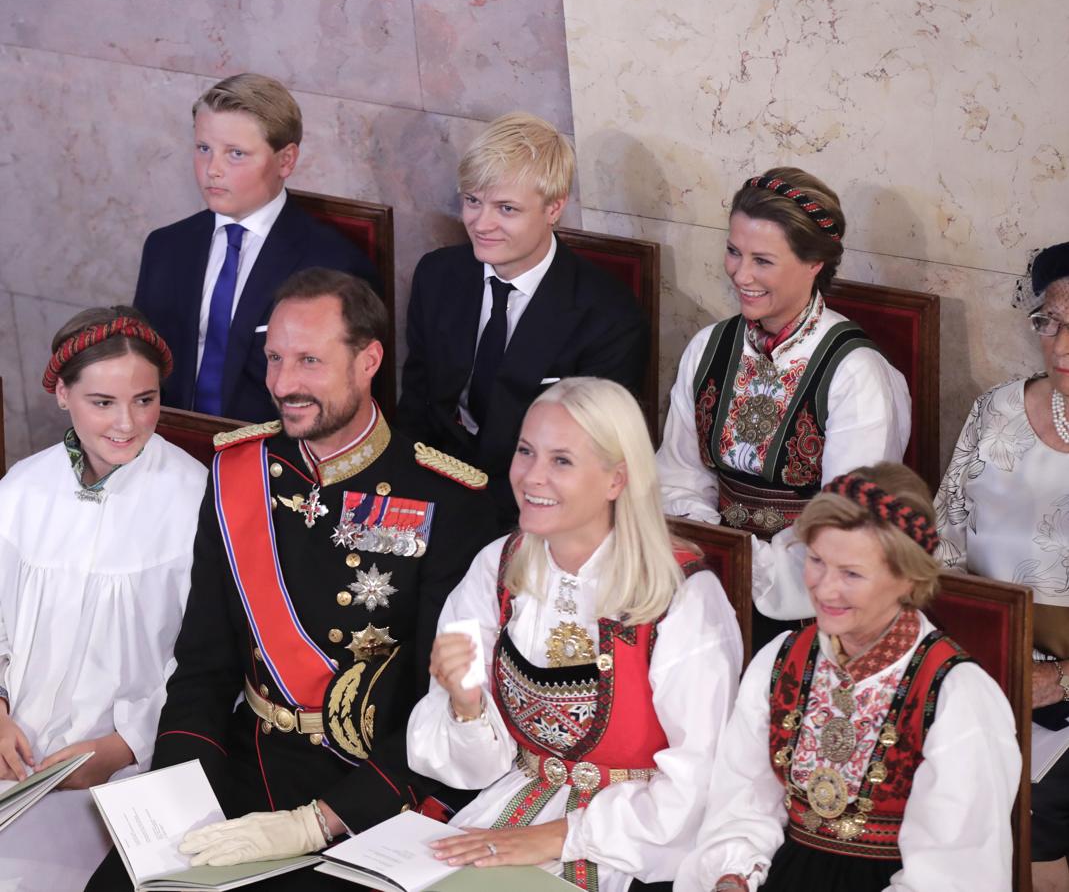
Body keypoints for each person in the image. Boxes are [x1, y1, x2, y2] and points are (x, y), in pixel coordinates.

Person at [86, 269, 497, 890]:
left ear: (369, 361)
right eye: (275, 358)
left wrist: (323, 822)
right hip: (245, 765)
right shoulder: (241, 473)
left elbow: (437, 708)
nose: (283, 384)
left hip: (368, 795)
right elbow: (203, 663)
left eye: (309, 360)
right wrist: (181, 803)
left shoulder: (448, 498)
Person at [406, 377, 743, 892]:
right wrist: (467, 704)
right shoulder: (498, 566)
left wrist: (559, 836)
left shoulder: (683, 598)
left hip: (631, 844)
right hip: (507, 802)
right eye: (525, 451)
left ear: (616, 479)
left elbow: (700, 779)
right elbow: (467, 768)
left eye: (561, 461)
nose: (531, 477)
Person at [674, 463, 1020, 892]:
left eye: (851, 574)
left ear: (908, 578)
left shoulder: (956, 697)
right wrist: (732, 876)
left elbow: (955, 875)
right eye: (816, 561)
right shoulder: (781, 661)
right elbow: (742, 802)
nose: (824, 589)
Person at [657, 168, 910, 645]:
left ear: (814, 262)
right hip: (705, 572)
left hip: (809, 601)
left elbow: (847, 520)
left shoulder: (857, 373)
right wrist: (714, 557)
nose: (741, 274)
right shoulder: (709, 346)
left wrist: (749, 570)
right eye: (734, 252)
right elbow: (678, 473)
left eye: (763, 261)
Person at [0, 306, 206, 891]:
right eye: (103, 402)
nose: (127, 423)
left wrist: (123, 746)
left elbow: (210, 660)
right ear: (62, 394)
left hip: (126, 772)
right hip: (15, 754)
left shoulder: (196, 502)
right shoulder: (22, 489)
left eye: (145, 399)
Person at [397, 112, 649, 528]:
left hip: (531, 512)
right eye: (473, 201)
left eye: (506, 208)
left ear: (554, 207)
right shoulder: (437, 276)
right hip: (430, 492)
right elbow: (416, 404)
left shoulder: (609, 316)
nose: (481, 223)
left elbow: (591, 458)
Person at [935, 240, 1069, 892]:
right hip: (981, 665)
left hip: (1061, 697)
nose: (1061, 348)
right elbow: (944, 544)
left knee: (1035, 812)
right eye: (1051, 323)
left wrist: (1061, 679)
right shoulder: (993, 412)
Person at [134, 72, 378, 421]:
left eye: (235, 154)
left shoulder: (334, 264)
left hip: (277, 459)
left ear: (286, 161)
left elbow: (341, 401)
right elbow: (144, 367)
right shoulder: (166, 247)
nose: (212, 170)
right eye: (204, 149)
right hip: (169, 446)